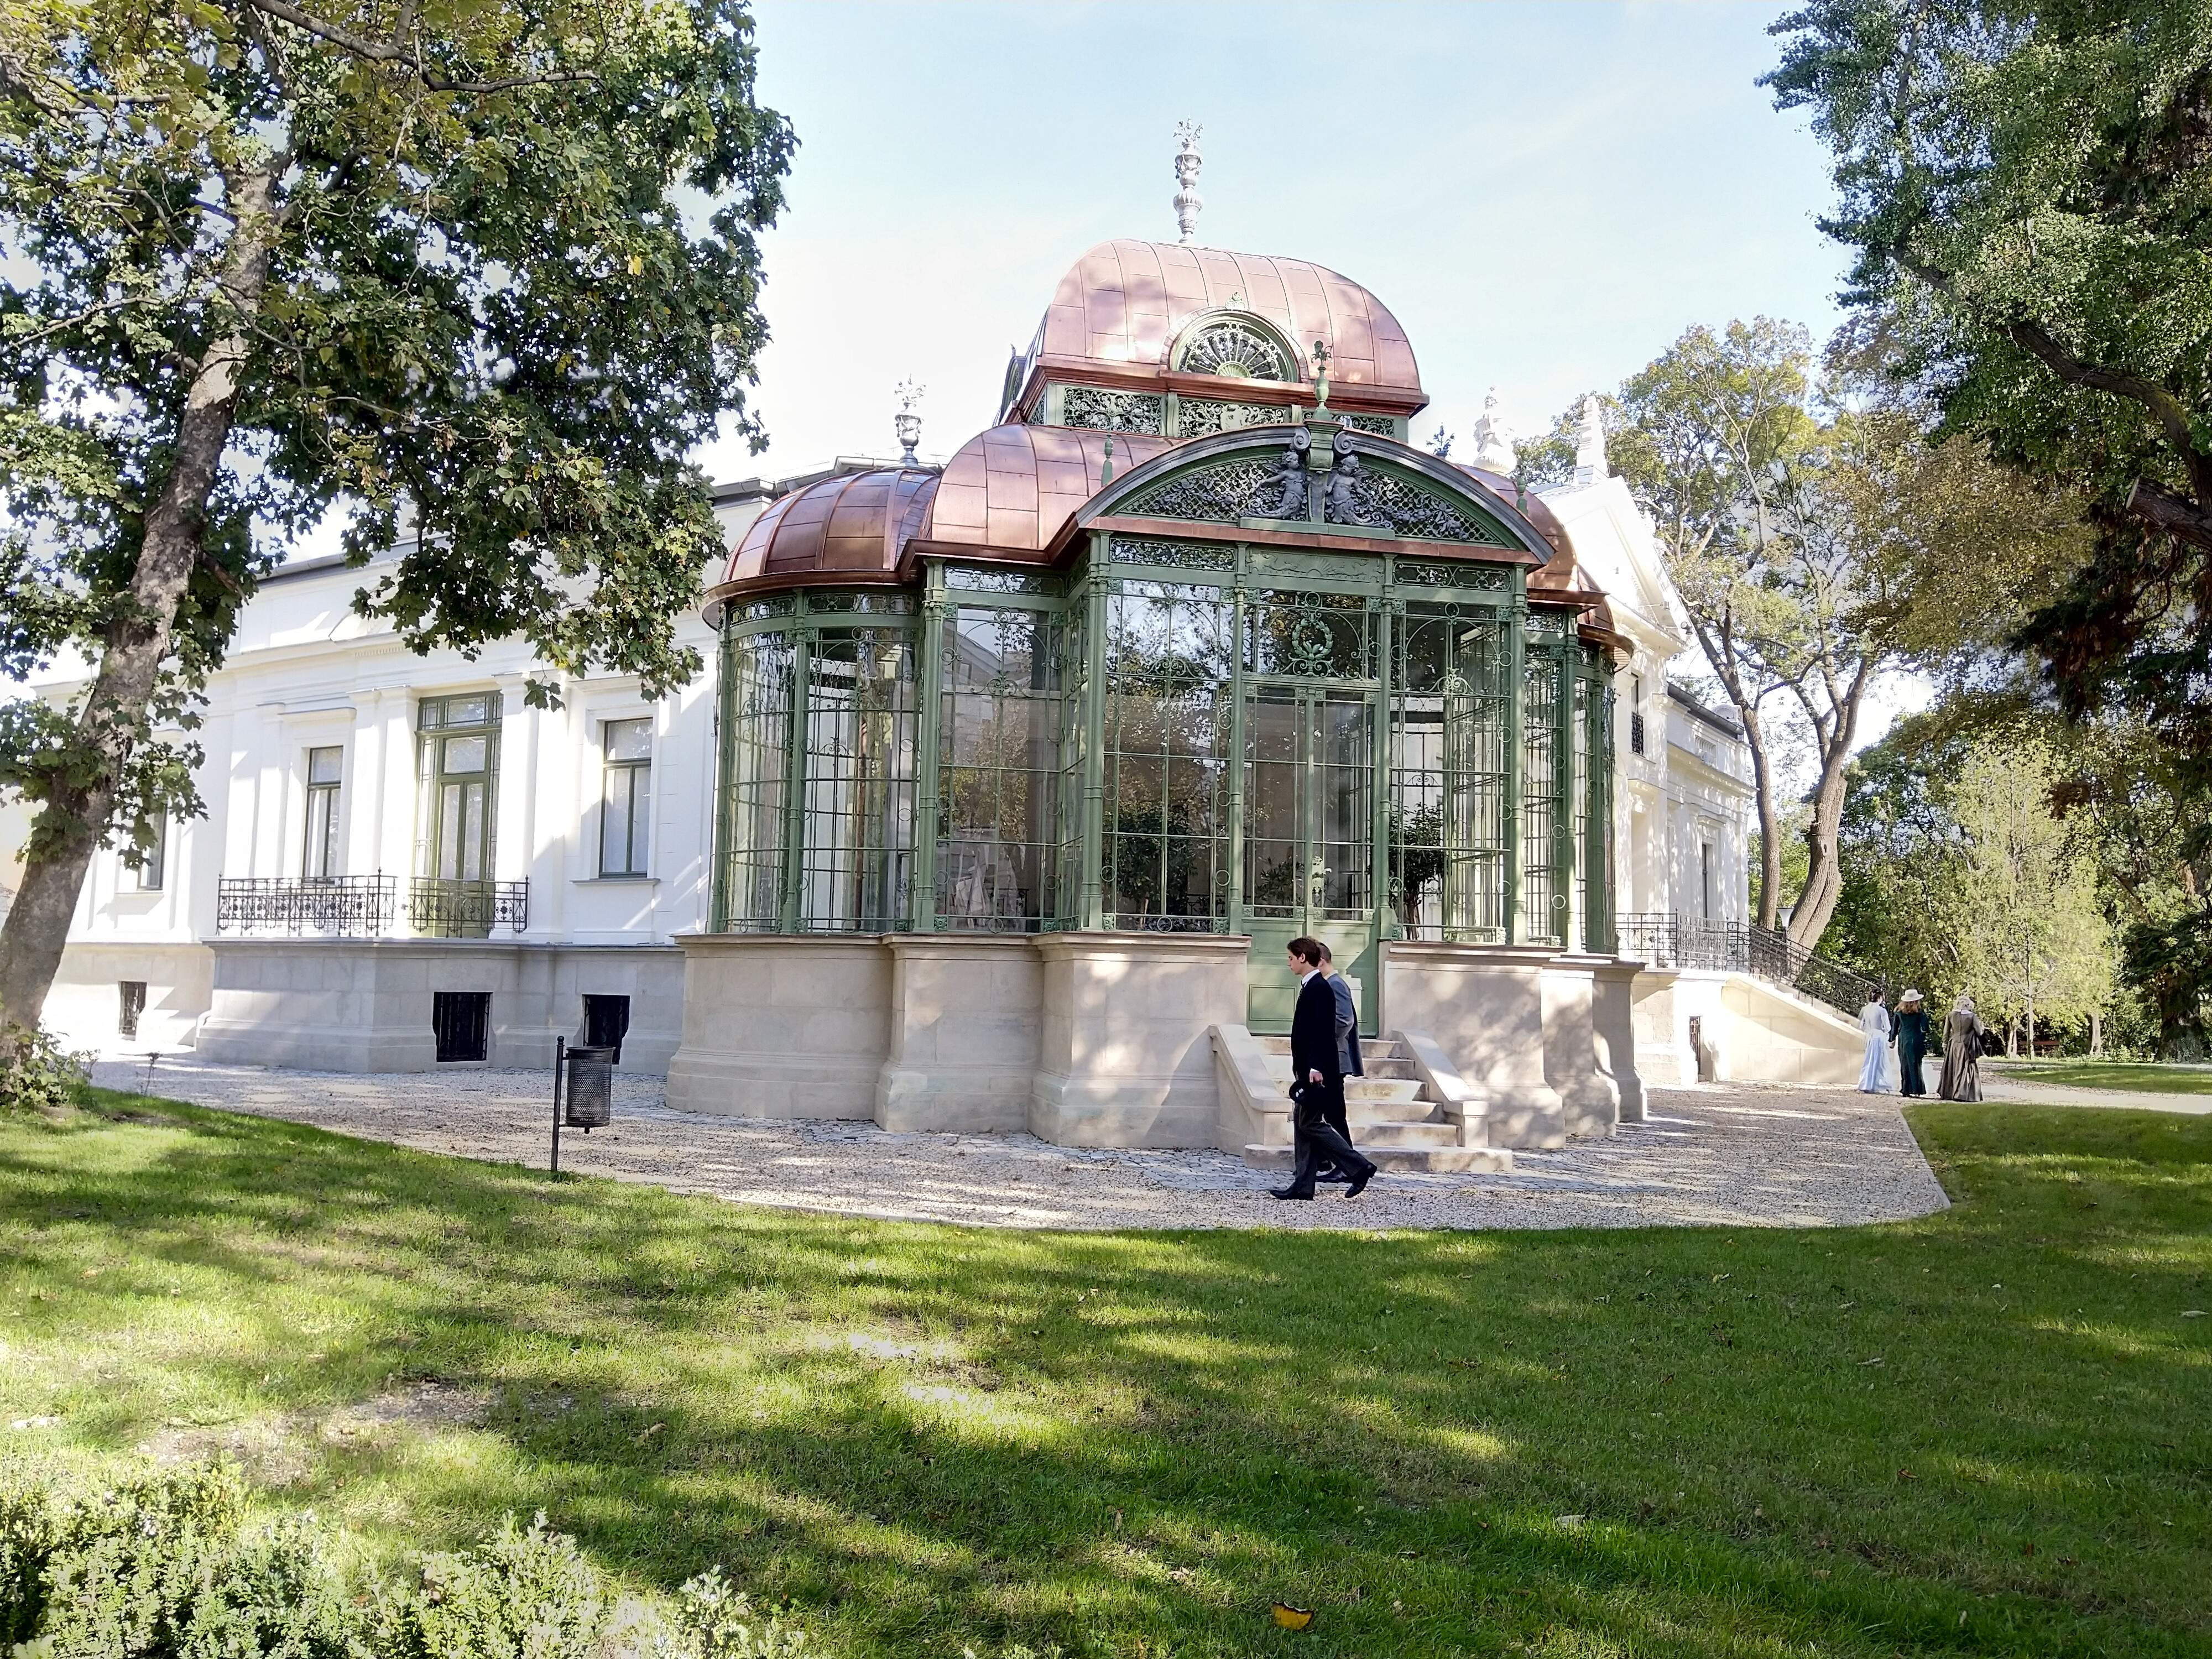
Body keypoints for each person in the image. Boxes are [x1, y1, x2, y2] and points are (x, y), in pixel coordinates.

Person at [1270, 936, 1377, 1201]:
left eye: (1291, 958)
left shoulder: (1320, 987)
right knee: (1303, 1123)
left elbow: (1323, 1033)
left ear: (1303, 958)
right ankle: (1303, 1185)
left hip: (1317, 1069)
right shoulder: (1313, 985)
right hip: (1309, 1067)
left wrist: (1315, 1067)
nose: (1289, 963)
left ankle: (1358, 1166)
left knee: (1310, 1123)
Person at [1309, 942, 1363, 1182]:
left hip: (1333, 1060)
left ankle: (1348, 1166)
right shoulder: (1325, 984)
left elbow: (1344, 1020)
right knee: (1319, 1114)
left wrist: (1323, 1044)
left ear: (1321, 961)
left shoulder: (1335, 984)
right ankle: (1324, 1160)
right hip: (1327, 1059)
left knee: (1334, 1115)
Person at [1938, 994, 1985, 1102]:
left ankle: (1950, 1092)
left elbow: (1946, 1033)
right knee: (1964, 1068)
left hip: (1954, 1044)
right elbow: (1980, 1032)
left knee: (1953, 1068)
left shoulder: (1951, 1015)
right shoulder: (1972, 1016)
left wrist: (1945, 1045)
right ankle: (1961, 1094)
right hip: (1966, 1045)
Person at [1893, 989, 1931, 1097]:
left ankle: (1906, 1088)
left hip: (1904, 1040)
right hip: (1916, 1038)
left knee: (1905, 1064)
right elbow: (1925, 1027)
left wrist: (1891, 1039)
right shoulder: (1919, 1013)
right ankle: (1916, 1089)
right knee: (1916, 1064)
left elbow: (1895, 1028)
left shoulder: (1899, 1013)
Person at [1857, 990, 1892, 1093]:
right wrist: (1884, 1031)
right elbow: (1888, 1028)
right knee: (1878, 1061)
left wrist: (1868, 1030)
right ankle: (1876, 1084)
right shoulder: (1882, 1011)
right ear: (1880, 998)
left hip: (1869, 1035)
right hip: (1878, 1035)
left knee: (1869, 1059)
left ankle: (1866, 1083)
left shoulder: (1865, 1009)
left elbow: (1861, 1025)